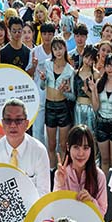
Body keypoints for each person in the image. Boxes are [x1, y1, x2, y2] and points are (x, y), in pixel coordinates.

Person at [0, 99, 50, 198]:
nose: (13, 125)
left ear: (27, 123)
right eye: (8, 120)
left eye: (18, 120)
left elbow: (43, 192)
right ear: (2, 123)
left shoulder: (39, 151)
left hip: (32, 206)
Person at [53, 125, 108, 215]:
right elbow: (55, 208)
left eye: (85, 148)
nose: (81, 153)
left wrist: (91, 201)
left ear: (91, 149)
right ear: (68, 147)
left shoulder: (99, 176)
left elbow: (102, 212)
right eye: (76, 147)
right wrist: (60, 185)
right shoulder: (60, 174)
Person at [42, 36, 76, 169]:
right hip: (49, 106)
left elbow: (72, 96)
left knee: (63, 145)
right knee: (51, 144)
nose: (58, 52)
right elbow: (42, 87)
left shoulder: (70, 70)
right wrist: (43, 79)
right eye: (55, 49)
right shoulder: (47, 64)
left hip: (63, 107)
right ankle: (51, 170)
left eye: (60, 48)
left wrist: (65, 91)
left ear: (65, 48)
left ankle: (63, 170)